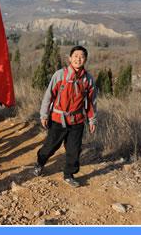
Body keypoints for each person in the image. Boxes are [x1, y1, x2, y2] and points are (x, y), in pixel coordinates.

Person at [33, 46, 97, 188]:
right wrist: (44, 115)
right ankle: (40, 163)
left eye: (81, 56)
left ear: (85, 59)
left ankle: (69, 174)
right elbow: (48, 96)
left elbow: (91, 103)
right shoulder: (60, 75)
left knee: (74, 149)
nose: (78, 59)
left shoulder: (88, 80)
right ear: (69, 58)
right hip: (57, 119)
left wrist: (92, 120)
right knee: (50, 147)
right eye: (75, 56)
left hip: (77, 120)